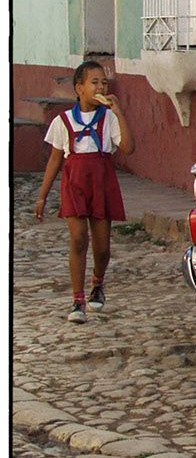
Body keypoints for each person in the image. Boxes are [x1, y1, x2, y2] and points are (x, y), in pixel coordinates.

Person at [33, 60, 136, 324]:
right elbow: (55, 160)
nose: (101, 86)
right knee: (78, 240)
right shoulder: (63, 121)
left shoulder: (109, 118)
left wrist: (119, 112)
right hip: (75, 182)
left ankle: (97, 283)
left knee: (102, 248)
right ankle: (77, 300)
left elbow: (128, 148)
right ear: (79, 88)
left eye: (104, 82)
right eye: (95, 82)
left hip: (102, 181)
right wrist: (43, 195)